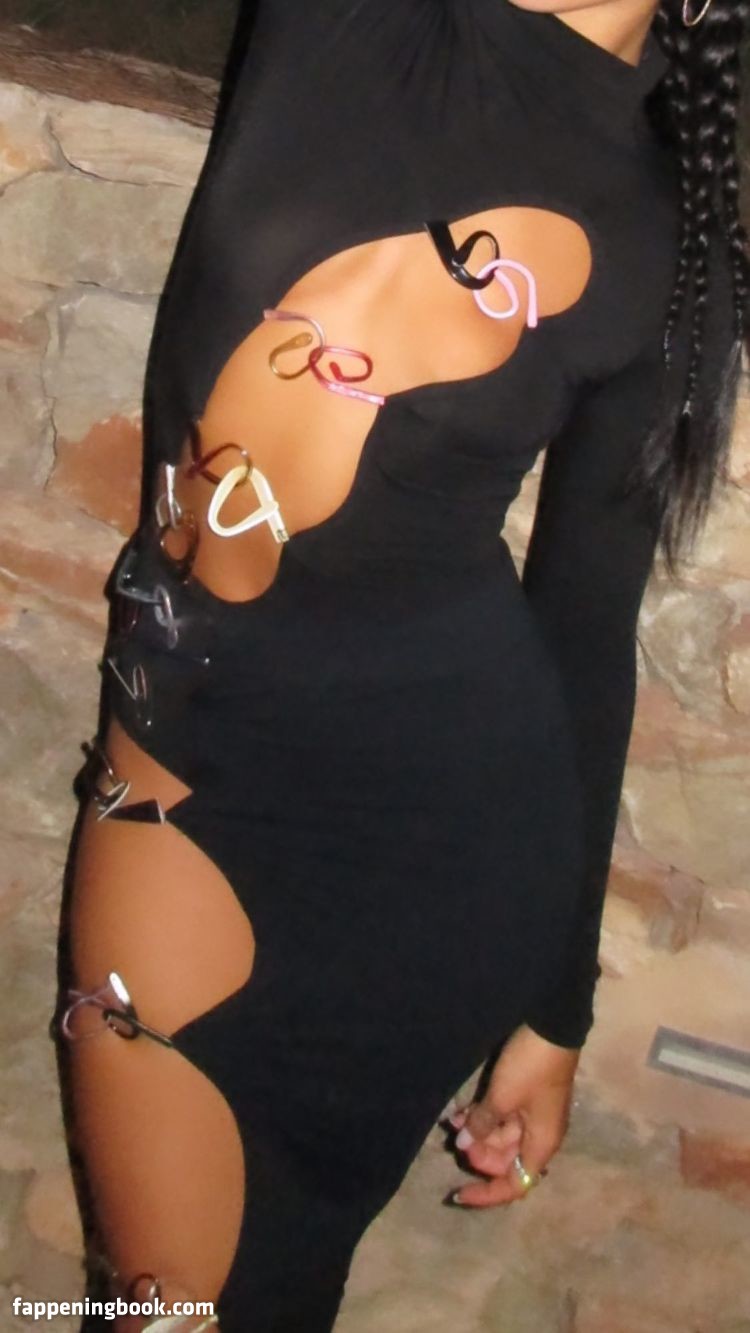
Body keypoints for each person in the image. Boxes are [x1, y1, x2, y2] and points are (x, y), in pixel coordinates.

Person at [53, 1, 748, 1330]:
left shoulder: (669, 244)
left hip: (438, 848)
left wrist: (552, 1012)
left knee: (263, 1290)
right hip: (183, 778)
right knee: (157, 1305)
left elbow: (582, 632)